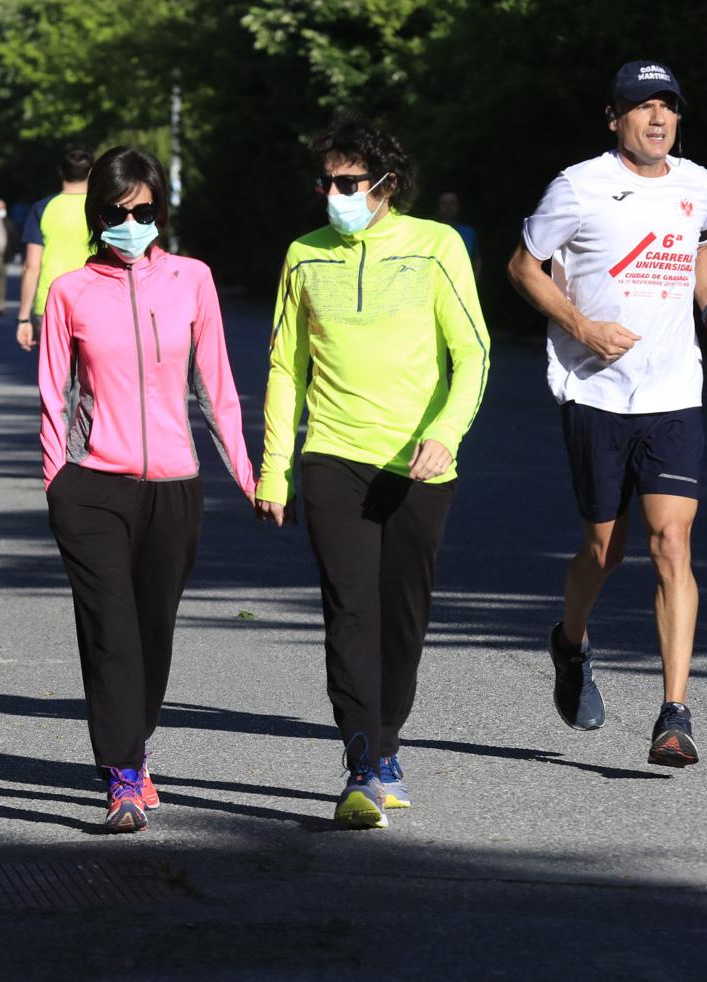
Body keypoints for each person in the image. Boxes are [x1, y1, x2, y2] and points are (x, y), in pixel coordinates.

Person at [506, 61, 707, 767]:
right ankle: (572, 642)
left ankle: (675, 713)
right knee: (604, 552)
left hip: (673, 391)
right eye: (641, 107)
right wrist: (582, 328)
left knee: (671, 543)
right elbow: (523, 267)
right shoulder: (578, 185)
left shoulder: (698, 184)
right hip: (596, 392)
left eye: (668, 107)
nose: (657, 119)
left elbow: (700, 248)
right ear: (613, 116)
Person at [255, 114, 490, 829]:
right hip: (332, 456)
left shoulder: (436, 246)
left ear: (386, 185)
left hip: (418, 464)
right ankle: (361, 764)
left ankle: (388, 743)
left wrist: (446, 434)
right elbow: (283, 366)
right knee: (349, 611)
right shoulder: (303, 255)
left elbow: (473, 354)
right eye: (325, 181)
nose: (333, 193)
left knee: (402, 618)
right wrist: (275, 466)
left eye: (348, 181)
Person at [40, 147, 255, 833]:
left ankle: (136, 742)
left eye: (143, 212)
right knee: (111, 633)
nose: (132, 223)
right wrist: (57, 481)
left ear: (160, 211)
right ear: (97, 214)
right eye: (117, 212)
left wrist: (249, 476)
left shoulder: (192, 280)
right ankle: (122, 775)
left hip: (173, 489)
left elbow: (216, 386)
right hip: (94, 488)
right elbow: (53, 393)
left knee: (152, 634)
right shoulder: (70, 291)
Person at [17, 143, 95, 351]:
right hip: (95, 299)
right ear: (91, 171)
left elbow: (31, 267)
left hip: (51, 301)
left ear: (61, 171)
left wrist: (23, 318)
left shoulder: (42, 209)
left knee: (57, 376)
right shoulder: (100, 209)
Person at [437, 191, 482, 282]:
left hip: (463, 283)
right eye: (444, 203)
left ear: (458, 207)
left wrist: (475, 278)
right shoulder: (432, 232)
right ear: (438, 208)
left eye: (452, 203)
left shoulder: (469, 233)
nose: (448, 207)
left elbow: (476, 259)